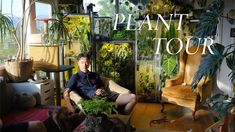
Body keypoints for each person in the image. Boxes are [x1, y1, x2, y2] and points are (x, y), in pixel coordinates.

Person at [63, 52, 136, 114]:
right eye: (82, 62)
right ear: (78, 63)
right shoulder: (75, 77)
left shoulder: (94, 75)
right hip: (95, 101)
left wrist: (101, 90)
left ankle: (124, 117)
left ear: (89, 62)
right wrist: (69, 105)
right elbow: (66, 92)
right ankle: (119, 116)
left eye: (86, 62)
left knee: (133, 97)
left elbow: (102, 87)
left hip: (107, 96)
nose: (84, 65)